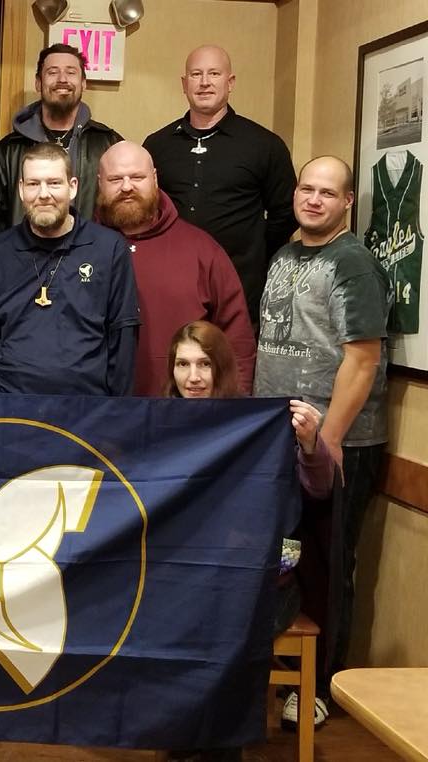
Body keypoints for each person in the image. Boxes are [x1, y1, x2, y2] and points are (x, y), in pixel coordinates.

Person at [255, 155, 390, 725]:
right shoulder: (286, 254)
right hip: (281, 437)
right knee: (289, 561)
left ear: (347, 202)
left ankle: (322, 689)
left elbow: (362, 360)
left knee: (329, 566)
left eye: (327, 193)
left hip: (338, 445)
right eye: (306, 189)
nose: (313, 199)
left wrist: (326, 442)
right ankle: (287, 673)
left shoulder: (353, 263)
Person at [163, 320, 335, 759]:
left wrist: (311, 444)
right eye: (183, 364)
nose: (193, 377)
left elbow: (319, 489)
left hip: (258, 585)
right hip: (187, 580)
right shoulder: (160, 424)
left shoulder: (257, 424)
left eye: (204, 364)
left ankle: (213, 748)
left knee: (218, 627)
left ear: (222, 367)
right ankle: (183, 737)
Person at [0, 142, 139, 395]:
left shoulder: (109, 249)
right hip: (7, 402)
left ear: (72, 187)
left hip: (85, 405)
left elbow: (122, 336)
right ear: (21, 189)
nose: (43, 194)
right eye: (33, 184)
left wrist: (117, 409)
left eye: (54, 183)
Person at [144, 45, 297, 326]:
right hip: (171, 287)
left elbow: (286, 213)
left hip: (240, 289)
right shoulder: (157, 145)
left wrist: (252, 248)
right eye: (196, 74)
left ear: (230, 82)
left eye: (214, 73)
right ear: (184, 84)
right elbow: (147, 211)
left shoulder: (264, 145)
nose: (204, 82)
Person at [95, 141, 254, 395]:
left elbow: (237, 340)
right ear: (99, 183)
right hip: (99, 409)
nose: (126, 187)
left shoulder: (201, 249)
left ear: (155, 178)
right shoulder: (81, 250)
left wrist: (234, 408)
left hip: (183, 410)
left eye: (137, 177)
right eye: (115, 179)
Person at [0, 43, 122, 235]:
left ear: (83, 83)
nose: (62, 79)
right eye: (53, 72)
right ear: (38, 83)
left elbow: (121, 211)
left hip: (92, 252)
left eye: (71, 72)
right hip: (24, 253)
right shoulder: (8, 150)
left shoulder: (109, 144)